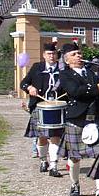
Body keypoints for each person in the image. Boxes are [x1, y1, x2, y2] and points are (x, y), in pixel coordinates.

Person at [57, 42, 99, 196]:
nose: (79, 56)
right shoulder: (65, 75)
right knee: (74, 157)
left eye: (79, 53)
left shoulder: (91, 72)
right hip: (76, 119)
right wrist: (98, 87)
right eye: (74, 54)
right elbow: (76, 91)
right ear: (67, 60)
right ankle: (75, 184)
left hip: (95, 118)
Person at [21, 43, 64, 177]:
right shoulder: (37, 67)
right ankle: (43, 160)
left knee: (55, 136)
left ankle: (54, 165)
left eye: (54, 54)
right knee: (42, 137)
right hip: (39, 106)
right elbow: (24, 83)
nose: (52, 56)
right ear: (44, 55)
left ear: (57, 55)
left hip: (57, 108)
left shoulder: (63, 69)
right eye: (49, 54)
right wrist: (29, 88)